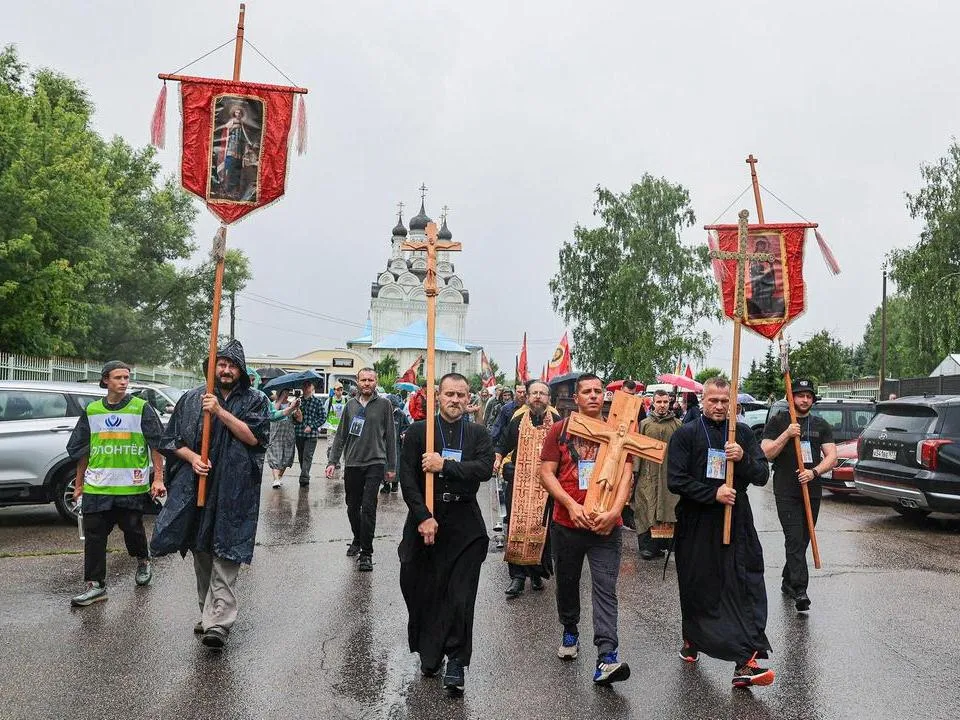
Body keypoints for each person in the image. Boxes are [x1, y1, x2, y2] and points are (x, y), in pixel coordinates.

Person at [150, 340, 269, 650]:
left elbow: (255, 437)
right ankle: (208, 613)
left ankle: (219, 622)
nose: (225, 369)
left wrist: (220, 412)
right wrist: (193, 458)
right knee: (202, 554)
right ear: (211, 367)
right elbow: (172, 440)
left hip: (234, 491)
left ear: (240, 371)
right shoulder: (191, 399)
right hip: (197, 489)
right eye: (221, 363)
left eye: (231, 365)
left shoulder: (255, 400)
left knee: (226, 554)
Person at [667, 376, 774, 688]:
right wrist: (711, 494)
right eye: (713, 400)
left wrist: (741, 459)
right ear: (703, 400)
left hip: (737, 520)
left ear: (733, 403)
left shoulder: (741, 433)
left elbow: (762, 475)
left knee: (745, 585)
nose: (718, 406)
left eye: (724, 401)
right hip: (698, 523)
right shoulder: (686, 434)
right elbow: (676, 479)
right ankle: (693, 638)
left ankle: (746, 661)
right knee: (700, 587)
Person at [398, 372, 494, 693]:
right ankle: (431, 648)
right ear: (438, 396)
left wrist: (445, 466)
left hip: (464, 525)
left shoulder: (478, 434)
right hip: (425, 520)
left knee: (460, 595)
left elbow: (482, 469)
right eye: (449, 394)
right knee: (419, 586)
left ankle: (456, 660)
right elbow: (407, 479)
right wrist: (423, 516)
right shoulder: (418, 432)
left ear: (469, 399)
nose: (455, 400)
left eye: (461, 395)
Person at [539, 373, 632, 686]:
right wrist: (570, 505)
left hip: (607, 529)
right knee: (567, 584)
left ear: (605, 396)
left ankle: (607, 656)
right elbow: (546, 473)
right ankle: (570, 628)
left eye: (598, 391)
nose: (593, 396)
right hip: (567, 525)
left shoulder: (620, 431)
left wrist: (615, 512)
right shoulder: (559, 430)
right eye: (587, 392)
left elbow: (626, 476)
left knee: (606, 591)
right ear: (575, 398)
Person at [67, 361, 165, 607]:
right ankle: (95, 585)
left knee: (133, 531)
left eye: (126, 377)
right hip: (97, 486)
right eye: (118, 377)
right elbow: (83, 452)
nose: (123, 381)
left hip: (130, 486)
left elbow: (157, 445)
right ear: (105, 381)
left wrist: (159, 478)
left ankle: (143, 560)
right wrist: (79, 484)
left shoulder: (141, 408)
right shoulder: (92, 411)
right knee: (94, 536)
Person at [761, 378, 837, 612]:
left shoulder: (821, 424)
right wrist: (787, 434)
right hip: (786, 489)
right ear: (791, 397)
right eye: (800, 395)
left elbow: (832, 457)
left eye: (809, 396)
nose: (805, 399)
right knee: (794, 539)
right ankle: (800, 590)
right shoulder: (778, 420)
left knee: (803, 539)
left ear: (813, 399)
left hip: (811, 489)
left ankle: (787, 580)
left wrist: (814, 473)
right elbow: (766, 452)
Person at [325, 368, 397, 571]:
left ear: (376, 382)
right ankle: (358, 537)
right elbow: (340, 436)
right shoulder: (350, 406)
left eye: (370, 380)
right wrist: (332, 462)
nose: (367, 383)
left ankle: (366, 552)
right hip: (353, 463)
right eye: (363, 380)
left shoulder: (385, 405)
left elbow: (390, 437)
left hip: (375, 462)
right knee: (352, 506)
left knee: (368, 507)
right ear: (357, 382)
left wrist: (391, 467)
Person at [495, 379, 559, 598]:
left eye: (542, 393)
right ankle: (518, 577)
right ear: (527, 397)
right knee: (517, 527)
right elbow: (503, 445)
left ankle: (537, 572)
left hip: (545, 486)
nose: (538, 397)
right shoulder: (517, 419)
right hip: (520, 483)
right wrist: (502, 462)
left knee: (541, 529)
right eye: (534, 393)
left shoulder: (557, 420)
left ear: (548, 398)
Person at [633, 389, 682, 560]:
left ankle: (662, 546)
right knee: (645, 508)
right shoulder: (644, 424)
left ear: (670, 403)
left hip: (668, 475)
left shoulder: (677, 425)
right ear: (653, 403)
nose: (662, 405)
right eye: (659, 402)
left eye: (665, 402)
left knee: (667, 508)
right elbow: (637, 450)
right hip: (648, 475)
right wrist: (635, 473)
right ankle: (647, 547)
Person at [292, 380, 324, 487]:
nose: (306, 387)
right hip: (299, 433)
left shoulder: (317, 402)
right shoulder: (298, 402)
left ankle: (304, 478)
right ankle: (305, 473)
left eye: (308, 385)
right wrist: (295, 415)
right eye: (304, 385)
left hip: (311, 435)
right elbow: (292, 418)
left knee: (307, 456)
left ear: (312, 387)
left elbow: (323, 417)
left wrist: (311, 426)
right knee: (301, 456)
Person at [267, 388, 300, 488]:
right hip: (275, 434)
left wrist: (297, 408)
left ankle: (279, 477)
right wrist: (280, 399)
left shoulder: (292, 404)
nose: (286, 394)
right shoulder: (273, 403)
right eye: (283, 392)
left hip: (288, 434)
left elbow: (299, 419)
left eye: (287, 392)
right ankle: (276, 479)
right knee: (275, 457)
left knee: (287, 458)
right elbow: (273, 412)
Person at [381, 393, 410, 494]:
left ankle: (395, 484)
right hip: (384, 444)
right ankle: (385, 485)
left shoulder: (401, 415)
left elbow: (407, 427)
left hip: (396, 444)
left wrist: (404, 433)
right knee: (384, 464)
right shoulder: (382, 414)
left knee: (396, 465)